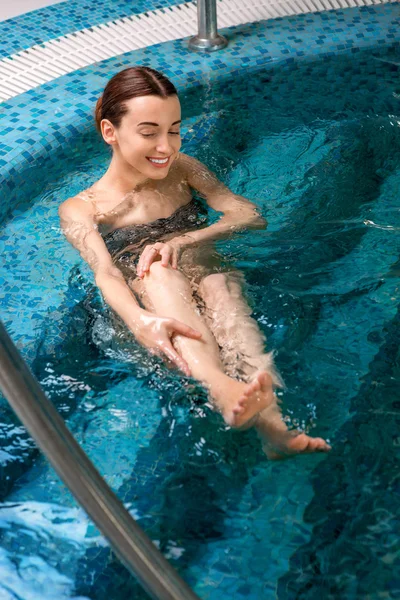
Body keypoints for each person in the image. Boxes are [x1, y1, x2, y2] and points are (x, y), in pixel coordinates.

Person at [59, 66, 331, 458]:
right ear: (110, 132)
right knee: (158, 275)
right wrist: (140, 322)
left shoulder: (183, 171)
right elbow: (104, 273)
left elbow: (248, 214)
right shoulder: (83, 210)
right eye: (149, 132)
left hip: (210, 278)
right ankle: (220, 389)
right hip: (154, 308)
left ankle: (274, 429)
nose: (166, 147)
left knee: (220, 285)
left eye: (174, 130)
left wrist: (186, 239)